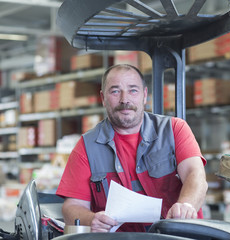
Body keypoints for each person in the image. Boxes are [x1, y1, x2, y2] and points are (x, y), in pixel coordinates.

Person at [56, 64, 208, 233]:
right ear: (103, 98)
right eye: (115, 91)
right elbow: (72, 206)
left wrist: (186, 205)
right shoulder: (86, 147)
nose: (124, 99)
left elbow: (196, 175)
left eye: (133, 90)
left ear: (144, 95)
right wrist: (91, 220)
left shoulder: (174, 129)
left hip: (176, 236)